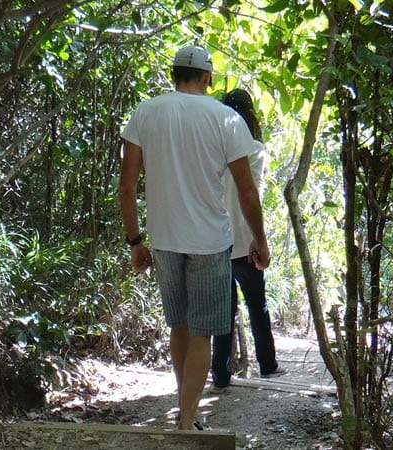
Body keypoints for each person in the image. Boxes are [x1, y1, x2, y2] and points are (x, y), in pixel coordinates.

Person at [118, 46, 270, 430]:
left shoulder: (146, 112)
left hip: (165, 239)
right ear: (207, 77)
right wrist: (259, 239)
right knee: (202, 331)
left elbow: (127, 184)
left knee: (180, 327)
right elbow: (247, 191)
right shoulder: (227, 119)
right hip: (209, 242)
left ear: (174, 75)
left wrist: (136, 241)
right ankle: (186, 421)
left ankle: (184, 411)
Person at [209, 89, 285, 394]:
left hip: (215, 240)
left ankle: (220, 375)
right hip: (247, 240)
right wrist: (260, 239)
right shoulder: (255, 149)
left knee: (224, 311)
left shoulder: (212, 150)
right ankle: (268, 365)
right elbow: (254, 194)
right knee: (257, 305)